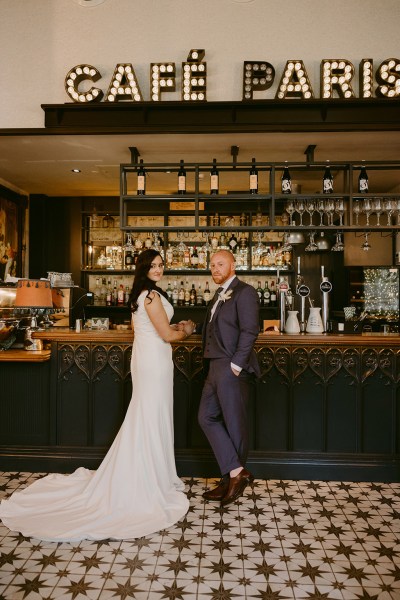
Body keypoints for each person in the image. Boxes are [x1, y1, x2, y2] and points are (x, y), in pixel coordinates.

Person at [0, 249, 195, 541]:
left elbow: (150, 329)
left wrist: (173, 328)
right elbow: (166, 336)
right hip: (154, 363)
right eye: (153, 266)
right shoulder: (151, 297)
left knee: (149, 414)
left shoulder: (141, 296)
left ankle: (157, 472)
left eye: (161, 264)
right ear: (142, 269)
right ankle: (154, 478)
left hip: (148, 360)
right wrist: (188, 329)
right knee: (152, 414)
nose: (159, 269)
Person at [198, 249, 261, 505]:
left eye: (220, 264)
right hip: (214, 366)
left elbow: (250, 330)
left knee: (235, 425)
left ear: (233, 265)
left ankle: (230, 480)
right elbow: (215, 328)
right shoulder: (218, 294)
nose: (215, 268)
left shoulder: (245, 292)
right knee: (206, 417)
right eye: (212, 265)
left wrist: (236, 365)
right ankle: (235, 473)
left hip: (230, 366)